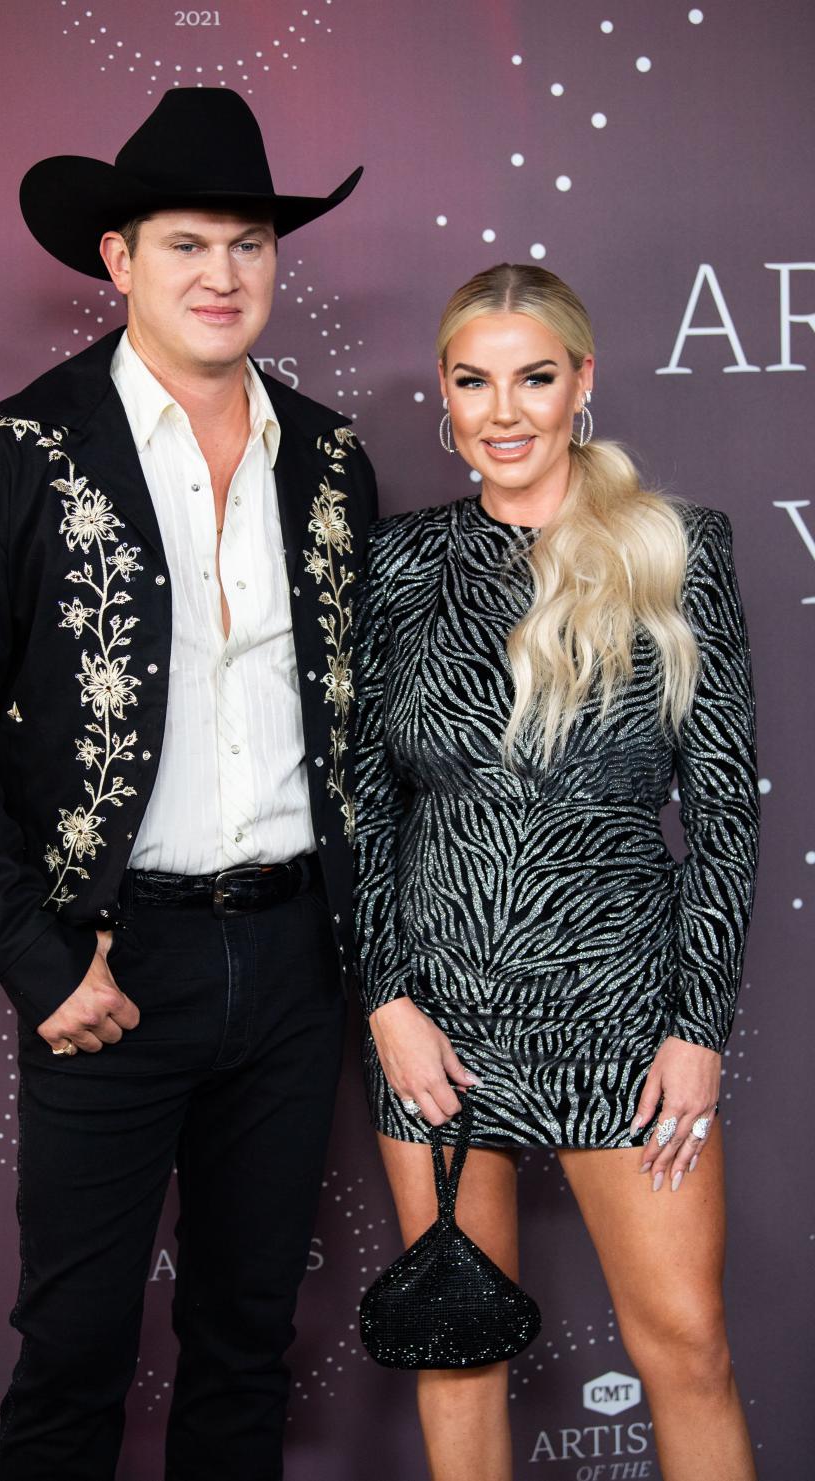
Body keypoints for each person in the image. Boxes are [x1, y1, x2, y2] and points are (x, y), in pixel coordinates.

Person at [0, 88, 376, 1481]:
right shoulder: (13, 456)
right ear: (116, 259)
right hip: (108, 965)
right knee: (79, 1346)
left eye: (249, 245)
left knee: (247, 1341)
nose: (222, 276)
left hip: (290, 960)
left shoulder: (332, 462)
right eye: (185, 245)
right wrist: (36, 963)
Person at [353, 263, 758, 1481]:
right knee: (457, 1351)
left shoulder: (677, 547)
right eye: (475, 381)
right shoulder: (398, 565)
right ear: (444, 392)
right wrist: (389, 1003)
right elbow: (365, 812)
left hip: (626, 1012)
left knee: (685, 1346)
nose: (505, 410)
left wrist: (698, 1027)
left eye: (535, 377)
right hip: (440, 1015)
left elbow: (728, 807)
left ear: (583, 382)